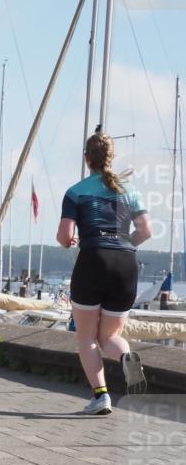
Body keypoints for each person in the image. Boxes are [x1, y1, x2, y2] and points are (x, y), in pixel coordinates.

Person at [57, 131, 151, 414]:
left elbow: (64, 234)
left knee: (86, 336)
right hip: (125, 263)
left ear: (87, 159)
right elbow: (146, 230)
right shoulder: (130, 191)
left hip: (92, 260)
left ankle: (101, 397)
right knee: (109, 336)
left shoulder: (76, 191)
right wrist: (123, 247)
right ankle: (126, 358)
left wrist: (69, 242)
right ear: (111, 158)